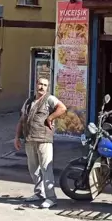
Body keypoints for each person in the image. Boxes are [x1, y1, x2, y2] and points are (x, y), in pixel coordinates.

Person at [14, 77, 67, 209]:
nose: (42, 87)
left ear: (47, 87)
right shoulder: (28, 101)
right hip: (29, 139)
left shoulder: (49, 99)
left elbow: (62, 108)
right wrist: (16, 137)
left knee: (46, 169)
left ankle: (51, 198)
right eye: (40, 84)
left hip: (44, 140)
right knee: (34, 170)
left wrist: (50, 117)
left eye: (45, 85)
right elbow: (22, 120)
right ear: (36, 84)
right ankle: (39, 194)